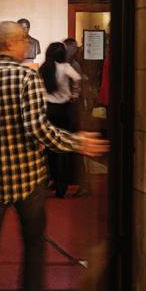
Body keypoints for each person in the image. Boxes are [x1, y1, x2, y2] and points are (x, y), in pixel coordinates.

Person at [0, 21, 108, 291]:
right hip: (26, 178)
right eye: (23, 39)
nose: (27, 44)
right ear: (11, 43)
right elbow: (37, 129)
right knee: (33, 246)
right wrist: (76, 142)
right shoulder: (26, 77)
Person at [39, 42, 82, 198]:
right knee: (63, 146)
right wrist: (74, 94)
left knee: (50, 146)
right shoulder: (65, 67)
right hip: (64, 110)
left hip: (49, 109)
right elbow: (77, 78)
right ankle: (62, 185)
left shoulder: (44, 68)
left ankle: (53, 179)